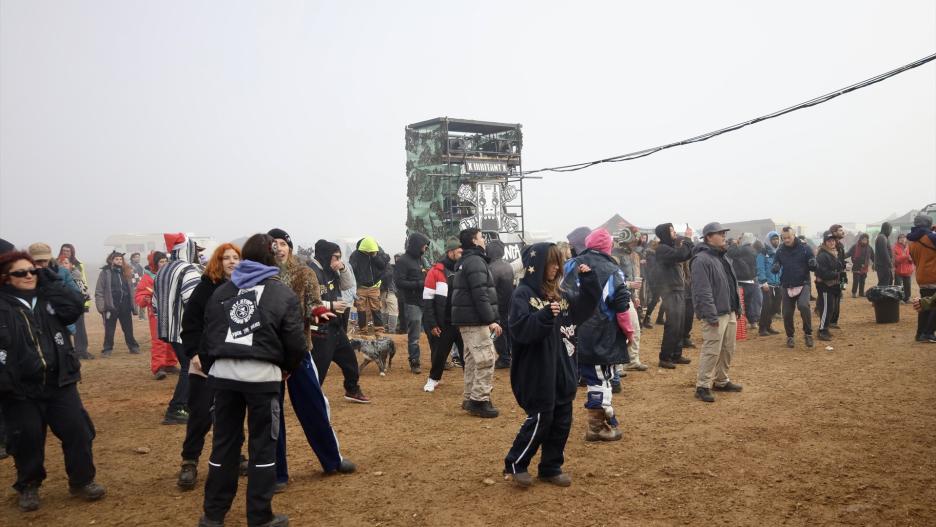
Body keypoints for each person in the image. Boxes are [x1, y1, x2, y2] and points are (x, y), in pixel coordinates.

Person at [197, 234, 303, 527]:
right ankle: (259, 516)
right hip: (262, 379)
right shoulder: (281, 294)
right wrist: (286, 368)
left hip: (223, 378)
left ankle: (212, 515)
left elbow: (207, 338)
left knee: (224, 446)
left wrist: (214, 367)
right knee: (263, 448)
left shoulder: (221, 293)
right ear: (271, 258)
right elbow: (295, 342)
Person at [0, 251, 106, 512]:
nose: (28, 276)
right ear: (6, 277)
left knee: (78, 431)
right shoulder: (3, 306)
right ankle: (29, 485)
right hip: (20, 389)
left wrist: (49, 277)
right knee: (27, 438)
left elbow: (74, 306)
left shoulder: (48, 298)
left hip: (60, 382)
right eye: (20, 272)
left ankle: (82, 481)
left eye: (32, 271)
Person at [503, 243, 599, 488]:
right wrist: (544, 316)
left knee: (562, 420)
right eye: (551, 262)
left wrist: (589, 283)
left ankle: (551, 466)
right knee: (541, 418)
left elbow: (584, 309)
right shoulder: (522, 295)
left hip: (563, 369)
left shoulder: (561, 295)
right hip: (536, 372)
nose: (556, 268)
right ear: (536, 266)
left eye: (559, 263)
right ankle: (516, 464)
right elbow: (520, 330)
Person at [176, 243, 240, 491]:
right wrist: (193, 353)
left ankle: (236, 457)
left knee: (232, 413)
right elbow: (189, 323)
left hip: (233, 361)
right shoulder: (205, 289)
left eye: (236, 258)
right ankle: (189, 461)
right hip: (204, 361)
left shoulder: (245, 288)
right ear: (218, 261)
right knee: (201, 414)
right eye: (226, 258)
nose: (232, 262)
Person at [565, 228, 633, 441]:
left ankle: (596, 421)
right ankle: (598, 426)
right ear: (608, 246)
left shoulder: (571, 264)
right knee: (599, 378)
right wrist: (629, 332)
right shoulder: (612, 270)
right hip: (600, 332)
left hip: (570, 330)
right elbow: (622, 305)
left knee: (579, 376)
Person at [307, 238, 369, 403]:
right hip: (319, 329)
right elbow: (307, 302)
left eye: (339, 257)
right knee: (319, 367)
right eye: (335, 257)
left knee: (350, 360)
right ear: (325, 255)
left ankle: (352, 389)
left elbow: (347, 285)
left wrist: (342, 268)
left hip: (335, 326)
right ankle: (310, 398)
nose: (337, 260)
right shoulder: (310, 272)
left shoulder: (330, 269)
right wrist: (331, 305)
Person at [451, 227, 502, 418]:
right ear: (474, 241)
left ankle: (470, 397)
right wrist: (490, 320)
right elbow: (480, 294)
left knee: (473, 359)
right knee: (486, 358)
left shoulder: (466, 261)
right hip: (475, 319)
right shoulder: (475, 262)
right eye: (481, 237)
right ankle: (479, 400)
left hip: (467, 319)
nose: (484, 240)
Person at [155, 233, 204, 424]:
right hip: (185, 329)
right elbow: (194, 303)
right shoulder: (188, 270)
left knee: (188, 366)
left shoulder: (163, 270)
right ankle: (176, 408)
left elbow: (155, 303)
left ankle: (186, 404)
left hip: (168, 329)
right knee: (189, 367)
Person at [690, 223, 742, 403]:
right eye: (720, 233)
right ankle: (702, 385)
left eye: (723, 233)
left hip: (729, 310)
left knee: (728, 348)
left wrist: (737, 307)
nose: (723, 236)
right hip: (715, 313)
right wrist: (710, 315)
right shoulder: (701, 260)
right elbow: (702, 291)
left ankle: (721, 380)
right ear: (709, 237)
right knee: (712, 350)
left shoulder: (723, 257)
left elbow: (731, 284)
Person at [421, 237, 464, 392]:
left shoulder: (465, 269)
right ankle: (433, 379)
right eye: (459, 250)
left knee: (468, 355)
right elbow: (428, 300)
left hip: (463, 320)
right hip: (444, 321)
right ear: (450, 251)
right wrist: (432, 324)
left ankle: (473, 382)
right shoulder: (435, 271)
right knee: (440, 354)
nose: (462, 252)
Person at [653, 223, 694, 368]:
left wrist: (688, 242)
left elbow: (687, 254)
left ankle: (676, 354)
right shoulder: (662, 249)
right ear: (664, 233)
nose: (675, 232)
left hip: (678, 289)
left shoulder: (669, 248)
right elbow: (681, 254)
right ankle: (665, 357)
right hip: (670, 291)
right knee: (673, 325)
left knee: (680, 324)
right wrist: (688, 239)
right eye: (671, 230)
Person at [135, 251, 179, 380]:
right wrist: (146, 299)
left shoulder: (171, 275)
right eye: (161, 262)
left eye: (165, 261)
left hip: (171, 311)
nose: (164, 264)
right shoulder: (148, 277)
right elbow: (140, 294)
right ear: (154, 264)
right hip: (156, 313)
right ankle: (159, 367)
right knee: (159, 340)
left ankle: (170, 363)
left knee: (172, 339)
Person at [772, 227, 817, 349]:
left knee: (803, 305)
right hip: (787, 284)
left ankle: (808, 334)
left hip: (803, 283)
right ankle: (790, 336)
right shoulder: (780, 250)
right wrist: (775, 266)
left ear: (794, 235)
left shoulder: (804, 248)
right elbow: (775, 263)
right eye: (784, 237)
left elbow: (812, 261)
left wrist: (813, 262)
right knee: (786, 312)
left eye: (789, 237)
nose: (786, 240)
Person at [393, 232, 431, 373]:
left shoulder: (422, 260)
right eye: (424, 246)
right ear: (416, 245)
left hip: (426, 301)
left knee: (433, 332)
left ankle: (439, 360)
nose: (425, 249)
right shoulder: (403, 261)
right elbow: (399, 282)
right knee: (414, 335)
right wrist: (420, 284)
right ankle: (414, 362)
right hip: (412, 302)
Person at [94, 250, 141, 356]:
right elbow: (99, 291)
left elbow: (132, 289)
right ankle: (107, 349)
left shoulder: (127, 271)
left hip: (125, 305)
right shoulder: (105, 273)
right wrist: (101, 307)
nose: (119, 261)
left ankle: (133, 347)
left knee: (128, 328)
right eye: (117, 259)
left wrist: (133, 304)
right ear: (111, 260)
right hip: (111, 305)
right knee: (109, 329)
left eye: (121, 259)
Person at [349, 236, 390, 337]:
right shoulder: (355, 255)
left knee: (376, 308)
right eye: (368, 251)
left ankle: (379, 330)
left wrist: (375, 256)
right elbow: (351, 270)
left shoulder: (378, 252)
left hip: (374, 286)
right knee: (361, 309)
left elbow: (383, 265)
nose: (369, 253)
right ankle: (363, 331)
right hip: (361, 287)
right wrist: (355, 285)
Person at [58, 244, 92, 360]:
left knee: (80, 328)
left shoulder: (78, 268)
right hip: (62, 305)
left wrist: (85, 302)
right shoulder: (55, 268)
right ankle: (67, 352)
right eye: (64, 250)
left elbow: (83, 285)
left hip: (77, 303)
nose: (66, 252)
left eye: (68, 250)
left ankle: (82, 350)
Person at [487, 240, 515, 369]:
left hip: (497, 307)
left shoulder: (492, 268)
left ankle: (504, 358)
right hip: (508, 305)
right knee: (506, 331)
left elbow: (489, 290)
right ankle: (508, 355)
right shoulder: (508, 266)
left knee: (497, 333)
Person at [908, 214, 936, 342]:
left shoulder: (912, 240)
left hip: (921, 276)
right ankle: (928, 333)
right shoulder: (930, 237)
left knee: (924, 305)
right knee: (933, 304)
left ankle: (920, 334)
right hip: (933, 275)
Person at [727, 233, 762, 331]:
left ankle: (743, 322)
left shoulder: (742, 249)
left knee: (742, 303)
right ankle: (753, 322)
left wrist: (734, 244)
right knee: (752, 303)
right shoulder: (752, 250)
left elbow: (730, 252)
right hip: (751, 280)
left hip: (741, 281)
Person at [815, 232, 844, 342]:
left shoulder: (833, 253)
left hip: (833, 285)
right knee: (826, 309)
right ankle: (822, 331)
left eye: (833, 240)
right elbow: (822, 273)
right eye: (829, 241)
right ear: (825, 242)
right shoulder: (822, 255)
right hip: (825, 286)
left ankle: (825, 329)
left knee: (830, 309)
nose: (832, 242)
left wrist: (841, 278)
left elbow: (839, 269)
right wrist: (837, 274)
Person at [755, 231, 782, 336]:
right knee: (766, 306)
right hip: (767, 284)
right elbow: (760, 267)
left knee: (775, 307)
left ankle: (768, 325)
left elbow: (781, 268)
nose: (776, 241)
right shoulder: (763, 252)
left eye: (777, 239)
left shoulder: (778, 252)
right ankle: (762, 328)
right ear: (769, 240)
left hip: (777, 284)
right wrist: (763, 281)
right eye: (773, 239)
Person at [845, 234, 874, 298]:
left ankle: (861, 293)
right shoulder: (855, 246)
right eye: (863, 239)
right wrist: (842, 257)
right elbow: (848, 253)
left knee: (862, 281)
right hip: (856, 266)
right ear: (860, 240)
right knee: (856, 280)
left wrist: (875, 263)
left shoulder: (869, 248)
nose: (864, 241)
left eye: (866, 240)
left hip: (865, 267)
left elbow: (873, 256)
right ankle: (854, 292)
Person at [894, 233, 914, 303]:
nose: (902, 239)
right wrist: (906, 256)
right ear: (898, 239)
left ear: (906, 239)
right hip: (898, 269)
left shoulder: (909, 247)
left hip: (908, 269)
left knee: (907, 285)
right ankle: (899, 299)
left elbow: (912, 257)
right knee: (898, 285)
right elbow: (896, 259)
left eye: (904, 238)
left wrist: (911, 259)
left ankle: (907, 298)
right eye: (900, 238)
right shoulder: (895, 247)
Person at [874, 222, 894, 287]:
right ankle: (880, 296)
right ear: (886, 228)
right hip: (882, 265)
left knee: (888, 281)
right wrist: (889, 263)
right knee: (883, 283)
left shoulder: (884, 237)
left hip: (884, 265)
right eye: (890, 229)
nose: (890, 231)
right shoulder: (881, 238)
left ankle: (883, 295)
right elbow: (884, 252)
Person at [129, 253, 147, 320]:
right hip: (132, 286)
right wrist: (133, 286)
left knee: (143, 300)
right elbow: (129, 277)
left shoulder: (140, 266)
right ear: (132, 258)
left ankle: (142, 316)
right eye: (136, 257)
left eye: (139, 257)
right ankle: (129, 315)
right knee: (132, 302)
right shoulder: (129, 266)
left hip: (140, 286)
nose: (138, 258)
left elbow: (142, 276)